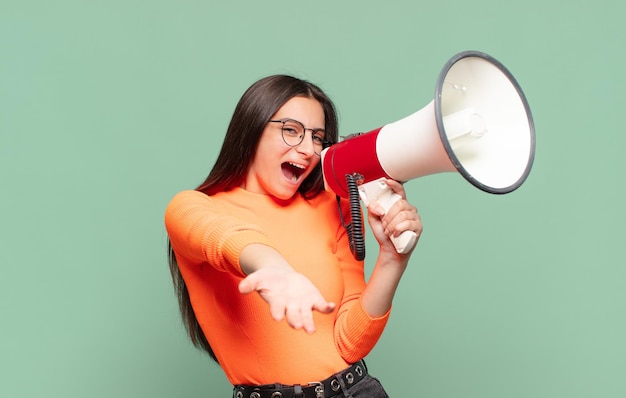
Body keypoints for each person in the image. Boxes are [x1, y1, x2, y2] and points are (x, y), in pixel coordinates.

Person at [165, 74, 423, 398]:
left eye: (317, 137)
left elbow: (350, 343)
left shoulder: (335, 206)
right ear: (252, 128)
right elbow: (225, 237)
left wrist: (391, 260)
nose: (307, 149)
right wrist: (275, 269)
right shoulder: (192, 207)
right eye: (291, 131)